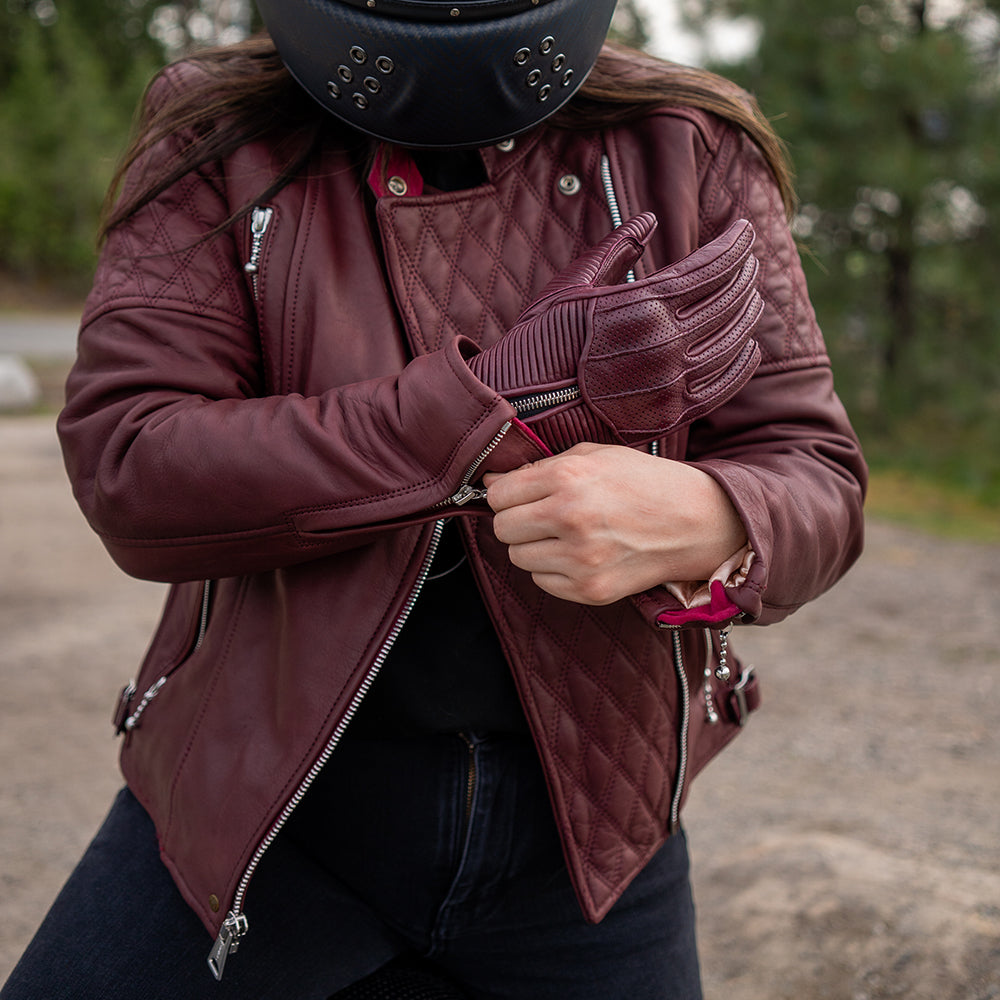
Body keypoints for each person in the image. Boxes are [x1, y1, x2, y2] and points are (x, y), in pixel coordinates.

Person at [1, 1, 867, 998]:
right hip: (267, 806)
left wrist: (713, 516)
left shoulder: (688, 144)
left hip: (591, 833)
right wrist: (490, 398)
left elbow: (816, 472)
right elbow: (131, 462)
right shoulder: (220, 129)